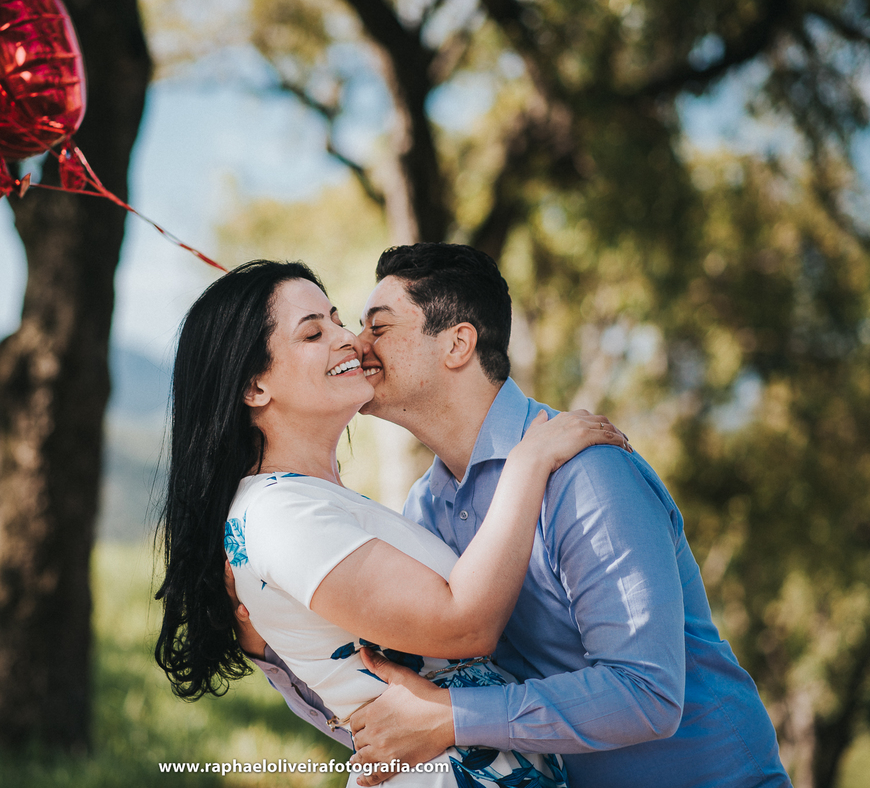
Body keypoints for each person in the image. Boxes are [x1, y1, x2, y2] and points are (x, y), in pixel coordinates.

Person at [241, 243, 791, 788]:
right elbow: (405, 715)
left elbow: (648, 694)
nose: (355, 344)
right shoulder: (424, 509)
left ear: (457, 344)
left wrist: (455, 717)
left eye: (377, 327)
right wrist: (270, 643)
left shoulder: (585, 473)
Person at [154, 260, 629, 787]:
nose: (349, 339)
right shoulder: (280, 515)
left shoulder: (320, 503)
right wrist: (528, 464)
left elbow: (376, 694)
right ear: (254, 387)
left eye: (338, 319)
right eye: (313, 333)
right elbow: (464, 626)